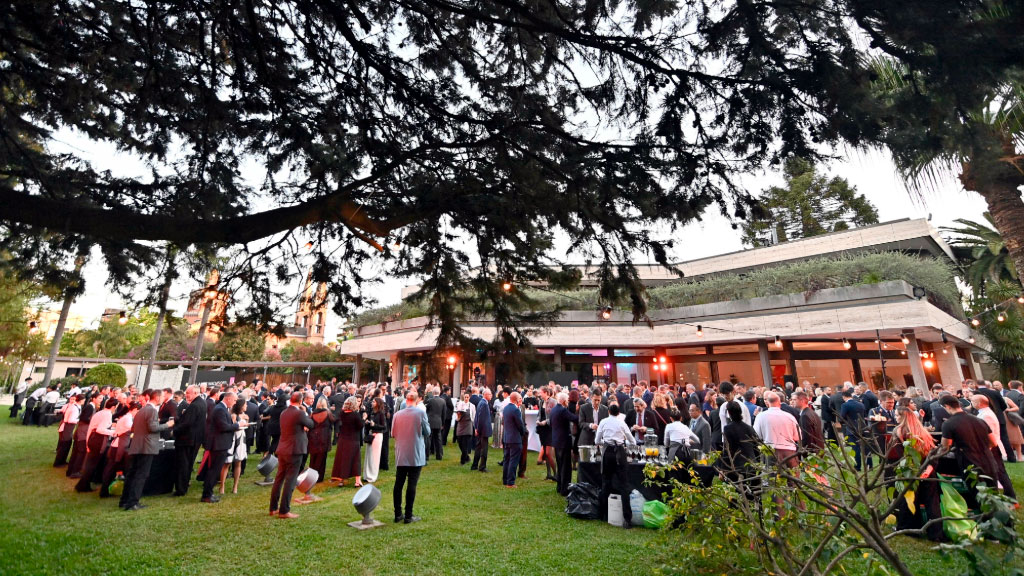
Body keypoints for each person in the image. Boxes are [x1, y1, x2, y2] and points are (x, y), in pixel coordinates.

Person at [938, 395, 1007, 508]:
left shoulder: (948, 424)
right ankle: (1000, 520)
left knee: (978, 497)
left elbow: (945, 447)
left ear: (947, 406)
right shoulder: (979, 420)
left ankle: (985, 521)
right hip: (988, 460)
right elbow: (993, 442)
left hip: (969, 463)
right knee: (994, 495)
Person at [888, 400, 943, 541]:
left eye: (897, 415)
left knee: (910, 501)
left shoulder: (899, 431)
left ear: (903, 417)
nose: (895, 417)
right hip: (928, 468)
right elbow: (932, 451)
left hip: (910, 469)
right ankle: (936, 533)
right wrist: (928, 468)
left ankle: (909, 528)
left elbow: (898, 454)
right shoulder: (922, 431)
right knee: (932, 502)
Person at [120, 390, 173, 510]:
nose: (163, 399)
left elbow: (134, 428)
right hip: (146, 447)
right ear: (157, 398)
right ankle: (133, 502)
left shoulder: (142, 410)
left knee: (132, 474)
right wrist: (168, 425)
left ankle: (125, 500)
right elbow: (153, 428)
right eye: (162, 397)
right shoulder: (152, 410)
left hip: (137, 445)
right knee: (141, 475)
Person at [270, 391, 315, 519]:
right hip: (295, 449)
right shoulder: (299, 413)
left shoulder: (284, 412)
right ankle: (284, 510)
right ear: (301, 401)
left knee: (279, 479)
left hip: (283, 448)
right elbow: (311, 424)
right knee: (290, 480)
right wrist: (305, 412)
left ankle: (273, 508)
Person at [594, 402, 636, 528]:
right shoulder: (621, 423)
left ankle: (602, 514)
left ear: (608, 412)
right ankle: (627, 519)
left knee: (606, 482)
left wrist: (605, 441)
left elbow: (597, 440)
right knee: (624, 485)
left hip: (607, 452)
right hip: (620, 453)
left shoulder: (603, 422)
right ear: (619, 413)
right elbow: (631, 440)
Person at [391, 390, 430, 523]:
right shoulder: (420, 413)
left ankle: (397, 513)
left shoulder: (397, 415)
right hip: (415, 453)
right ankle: (408, 514)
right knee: (411, 484)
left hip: (402, 452)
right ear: (416, 400)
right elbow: (427, 431)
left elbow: (393, 433)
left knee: (399, 483)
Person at [969, 394, 1017, 501]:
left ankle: (1010, 495)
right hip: (990, 446)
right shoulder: (984, 413)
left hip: (992, 447)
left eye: (972, 401)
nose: (971, 404)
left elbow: (989, 434)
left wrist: (987, 448)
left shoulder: (986, 415)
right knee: (997, 471)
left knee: (999, 471)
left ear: (978, 403)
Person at [74, 398, 118, 492]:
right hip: (98, 440)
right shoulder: (107, 414)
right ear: (113, 407)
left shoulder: (100, 412)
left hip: (92, 438)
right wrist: (113, 432)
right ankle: (83, 486)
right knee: (92, 464)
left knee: (90, 463)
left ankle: (83, 484)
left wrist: (87, 442)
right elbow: (100, 429)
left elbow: (91, 427)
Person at [720, 401, 761, 500]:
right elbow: (756, 447)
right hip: (751, 465)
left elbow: (727, 449)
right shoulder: (749, 428)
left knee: (736, 498)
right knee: (754, 497)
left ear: (729, 413)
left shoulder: (728, 428)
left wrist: (723, 469)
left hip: (736, 466)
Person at [752, 391, 801, 471]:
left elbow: (756, 435)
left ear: (767, 402)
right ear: (779, 402)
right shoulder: (789, 416)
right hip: (789, 450)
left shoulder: (761, 416)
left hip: (771, 450)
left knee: (773, 478)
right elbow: (797, 436)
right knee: (793, 478)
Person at [171, 385, 206, 496]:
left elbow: (187, 423)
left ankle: (181, 489)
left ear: (195, 393)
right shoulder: (201, 403)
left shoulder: (195, 405)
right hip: (194, 439)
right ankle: (183, 486)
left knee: (183, 464)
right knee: (187, 464)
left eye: (188, 393)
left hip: (187, 440)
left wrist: (174, 430)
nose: (186, 395)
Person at [975, 380, 1016, 463]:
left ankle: (997, 457)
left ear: (977, 385)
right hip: (999, 417)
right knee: (1004, 438)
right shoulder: (995, 392)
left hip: (984, 418)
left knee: (989, 438)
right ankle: (1011, 457)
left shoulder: (977, 393)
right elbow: (1003, 406)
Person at [550, 391, 579, 496]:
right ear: (563, 401)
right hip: (564, 441)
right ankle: (565, 489)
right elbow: (574, 418)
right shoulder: (562, 410)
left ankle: (559, 486)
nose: (568, 402)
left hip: (556, 441)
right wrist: (578, 411)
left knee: (560, 464)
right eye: (566, 401)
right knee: (566, 467)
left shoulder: (554, 409)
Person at [332, 396, 365, 487]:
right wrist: (364, 418)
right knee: (355, 460)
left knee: (343, 460)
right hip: (353, 439)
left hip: (343, 439)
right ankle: (357, 481)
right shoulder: (355, 414)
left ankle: (341, 480)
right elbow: (360, 426)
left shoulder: (342, 413)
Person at [220, 397, 249, 495]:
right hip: (233, 438)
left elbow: (245, 425)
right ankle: (222, 486)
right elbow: (232, 427)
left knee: (238, 462)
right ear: (241, 406)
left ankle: (235, 486)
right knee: (227, 463)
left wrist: (246, 423)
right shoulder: (233, 415)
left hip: (241, 438)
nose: (246, 406)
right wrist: (241, 423)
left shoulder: (244, 415)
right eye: (245, 404)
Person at [501, 392, 528, 487]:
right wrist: (523, 433)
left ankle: (505, 480)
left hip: (507, 437)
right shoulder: (515, 410)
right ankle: (510, 482)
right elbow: (520, 425)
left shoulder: (506, 408)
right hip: (515, 438)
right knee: (513, 460)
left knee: (507, 460)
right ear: (516, 399)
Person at [307, 396, 336, 483]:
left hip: (313, 437)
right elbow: (334, 420)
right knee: (322, 458)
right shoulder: (328, 413)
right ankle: (319, 477)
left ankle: (311, 477)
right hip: (324, 437)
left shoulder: (312, 413)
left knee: (313, 458)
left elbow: (310, 424)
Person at [839, 387, 868, 470]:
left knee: (855, 448)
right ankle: (869, 465)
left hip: (851, 429)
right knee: (865, 448)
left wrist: (843, 423)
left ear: (844, 397)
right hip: (862, 427)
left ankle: (857, 466)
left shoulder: (845, 405)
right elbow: (864, 415)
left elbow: (842, 418)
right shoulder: (860, 404)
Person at [54, 395, 83, 467]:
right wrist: (80, 420)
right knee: (64, 446)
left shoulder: (75, 407)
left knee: (66, 445)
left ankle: (62, 461)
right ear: (81, 400)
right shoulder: (74, 408)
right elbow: (70, 420)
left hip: (68, 428)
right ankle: (58, 463)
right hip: (66, 427)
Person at [363, 397, 388, 483]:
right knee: (368, 455)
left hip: (377, 435)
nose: (372, 403)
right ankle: (366, 475)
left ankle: (372, 476)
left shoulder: (381, 413)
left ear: (377, 403)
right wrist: (367, 423)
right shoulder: (371, 412)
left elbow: (384, 426)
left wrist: (375, 425)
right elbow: (370, 424)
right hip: (371, 434)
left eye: (374, 402)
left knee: (374, 456)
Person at [535, 386, 556, 480]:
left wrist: (546, 421)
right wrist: (538, 420)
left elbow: (554, 416)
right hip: (542, 429)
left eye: (541, 392)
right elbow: (539, 414)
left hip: (549, 429)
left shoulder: (552, 402)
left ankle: (556, 474)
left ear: (546, 393)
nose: (540, 394)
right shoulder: (540, 401)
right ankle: (549, 473)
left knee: (548, 453)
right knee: (544, 449)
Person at [472, 388, 492, 472]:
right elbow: (480, 418)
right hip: (483, 430)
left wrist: (476, 428)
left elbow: (477, 417)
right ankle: (482, 467)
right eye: (490, 394)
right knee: (484, 449)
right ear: (485, 395)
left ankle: (474, 465)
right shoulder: (484, 404)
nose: (491, 396)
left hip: (480, 429)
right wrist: (478, 429)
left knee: (478, 447)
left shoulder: (481, 402)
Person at [424, 385, 446, 460]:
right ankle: (439, 455)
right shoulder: (443, 401)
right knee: (438, 439)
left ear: (433, 393)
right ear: (439, 393)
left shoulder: (430, 400)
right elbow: (444, 414)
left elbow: (426, 410)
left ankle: (427, 455)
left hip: (430, 421)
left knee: (429, 438)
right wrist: (443, 423)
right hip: (439, 422)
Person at [454, 393, 474, 465]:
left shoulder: (472, 406)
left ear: (469, 397)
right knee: (460, 443)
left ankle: (462, 461)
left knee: (465, 444)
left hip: (468, 426)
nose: (466, 398)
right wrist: (458, 414)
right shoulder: (459, 404)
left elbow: (473, 416)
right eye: (465, 397)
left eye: (467, 397)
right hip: (460, 425)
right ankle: (467, 457)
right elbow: (457, 416)